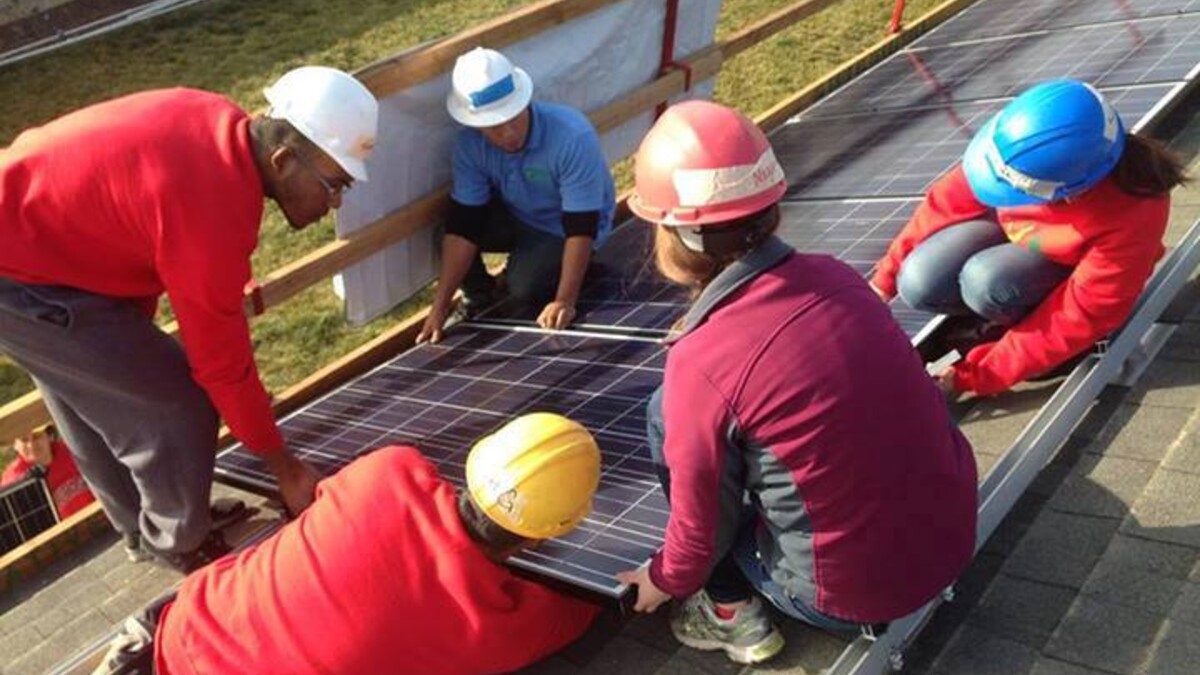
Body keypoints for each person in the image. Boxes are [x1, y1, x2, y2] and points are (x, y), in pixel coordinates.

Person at [615, 101, 978, 665]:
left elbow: (699, 531)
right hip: (953, 537)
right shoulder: (836, 276)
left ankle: (730, 611)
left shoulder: (700, 365)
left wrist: (661, 578)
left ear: (682, 236)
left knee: (670, 414)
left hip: (853, 595)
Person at [0, 66, 379, 572]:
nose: (333, 202)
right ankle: (177, 541)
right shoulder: (211, 204)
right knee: (179, 406)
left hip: (34, 243)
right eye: (334, 185)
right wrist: (284, 468)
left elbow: (142, 217)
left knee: (91, 397)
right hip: (21, 271)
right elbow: (219, 365)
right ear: (284, 159)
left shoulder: (218, 124)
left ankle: (147, 529)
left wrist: (220, 277)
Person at [93, 412, 603, 675]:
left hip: (183, 623)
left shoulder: (389, 469)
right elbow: (584, 607)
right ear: (547, 532)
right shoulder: (494, 626)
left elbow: (329, 507)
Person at [870, 79, 1187, 396]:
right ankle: (1002, 324)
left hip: (1064, 277)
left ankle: (1046, 347)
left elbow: (1082, 313)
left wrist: (979, 374)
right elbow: (945, 202)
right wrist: (881, 283)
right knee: (918, 281)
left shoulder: (1133, 210)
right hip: (1018, 244)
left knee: (987, 281)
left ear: (1071, 193)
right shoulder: (1023, 145)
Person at [417, 47, 616, 342]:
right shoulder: (469, 147)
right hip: (518, 214)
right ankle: (479, 299)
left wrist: (565, 301)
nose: (508, 133)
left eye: (514, 118)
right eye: (494, 127)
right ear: (474, 124)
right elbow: (464, 225)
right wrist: (439, 308)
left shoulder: (572, 137)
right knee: (444, 232)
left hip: (564, 227)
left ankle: (573, 270)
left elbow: (581, 225)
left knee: (523, 287)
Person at [1, 424, 94, 519]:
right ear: (15, 446)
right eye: (24, 440)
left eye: (37, 437)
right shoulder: (12, 481)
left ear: (49, 436)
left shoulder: (75, 452)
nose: (31, 445)